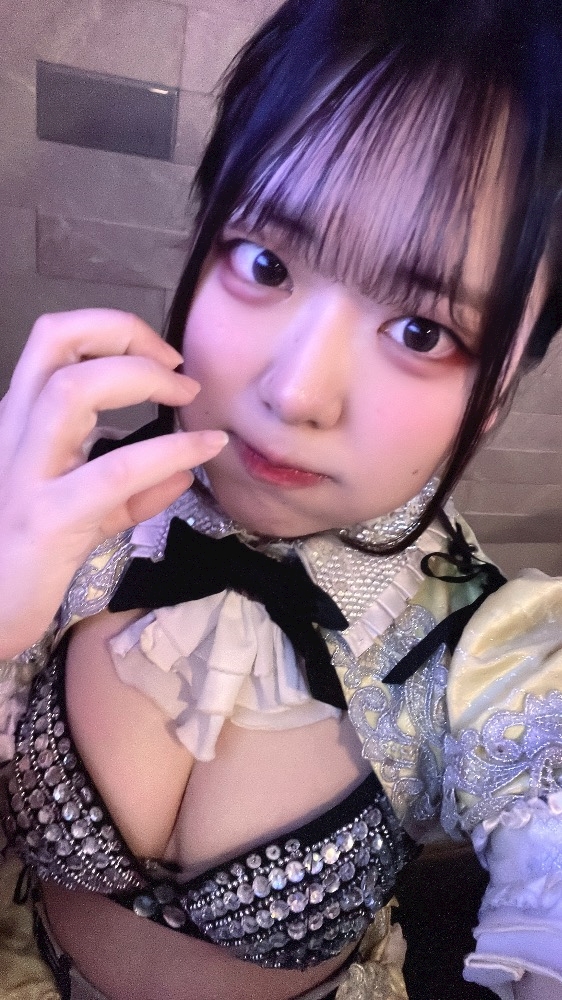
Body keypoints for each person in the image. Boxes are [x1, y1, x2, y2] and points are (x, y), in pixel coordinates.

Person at [1, 1, 562, 998]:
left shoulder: (490, 653)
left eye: (422, 331)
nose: (296, 391)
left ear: (499, 387)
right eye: (265, 262)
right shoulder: (56, 507)